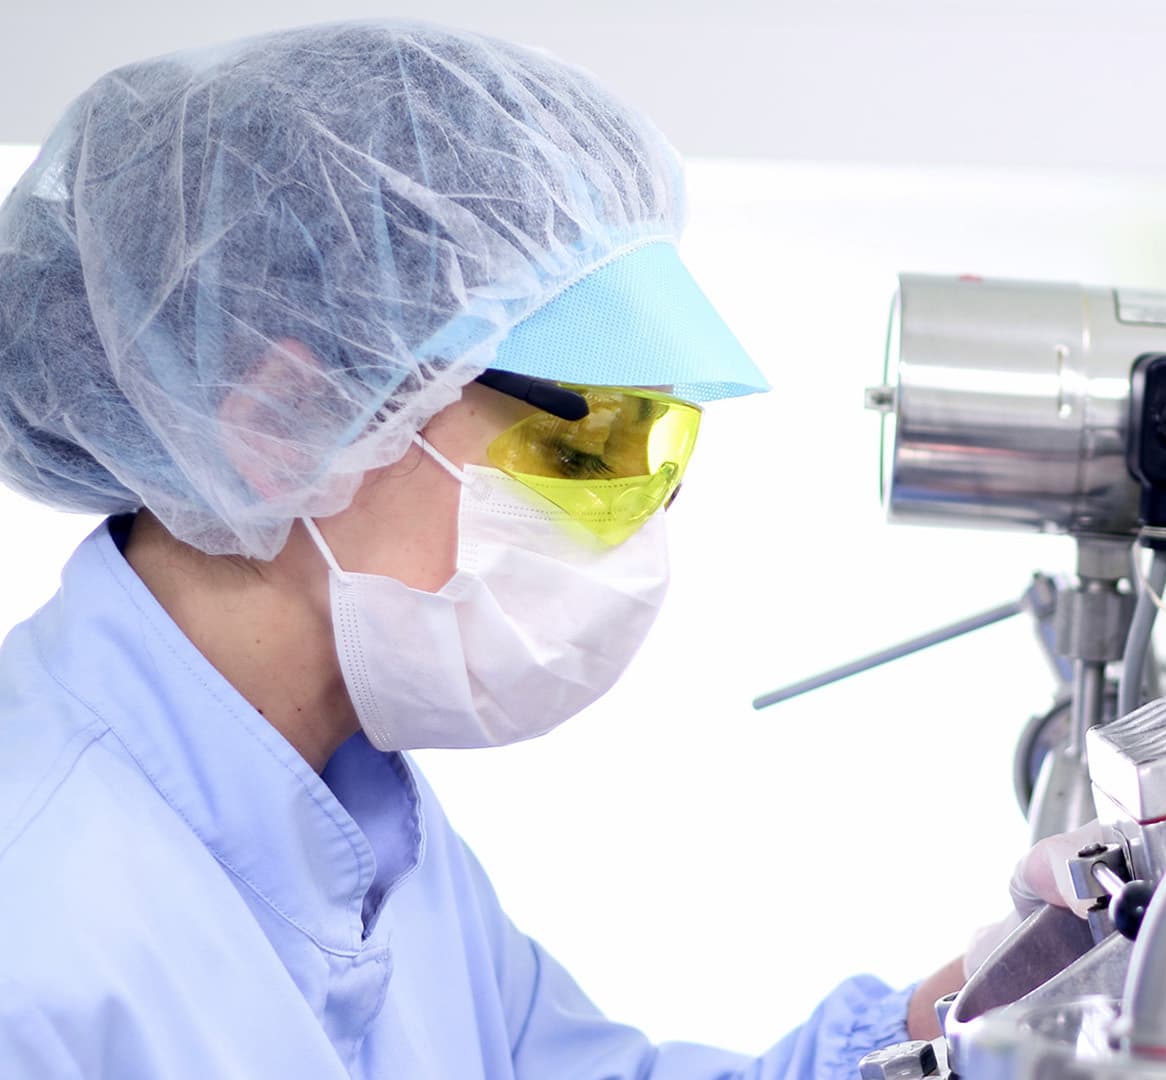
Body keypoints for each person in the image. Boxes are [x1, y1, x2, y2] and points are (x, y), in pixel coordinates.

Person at [0, 22, 1086, 1078]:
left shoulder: (360, 824)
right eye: (581, 450)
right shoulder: (40, 923)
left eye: (657, 453)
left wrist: (1012, 991)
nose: (634, 523)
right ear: (281, 422)